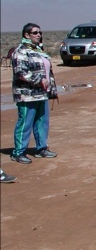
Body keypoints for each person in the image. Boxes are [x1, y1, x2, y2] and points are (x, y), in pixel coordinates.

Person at [10, 23, 58, 164]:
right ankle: (19, 152)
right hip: (27, 95)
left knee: (42, 122)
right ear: (26, 35)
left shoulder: (38, 50)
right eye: (35, 32)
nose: (39, 35)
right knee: (25, 123)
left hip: (41, 94)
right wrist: (39, 80)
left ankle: (41, 148)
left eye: (40, 32)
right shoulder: (21, 52)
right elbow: (21, 72)